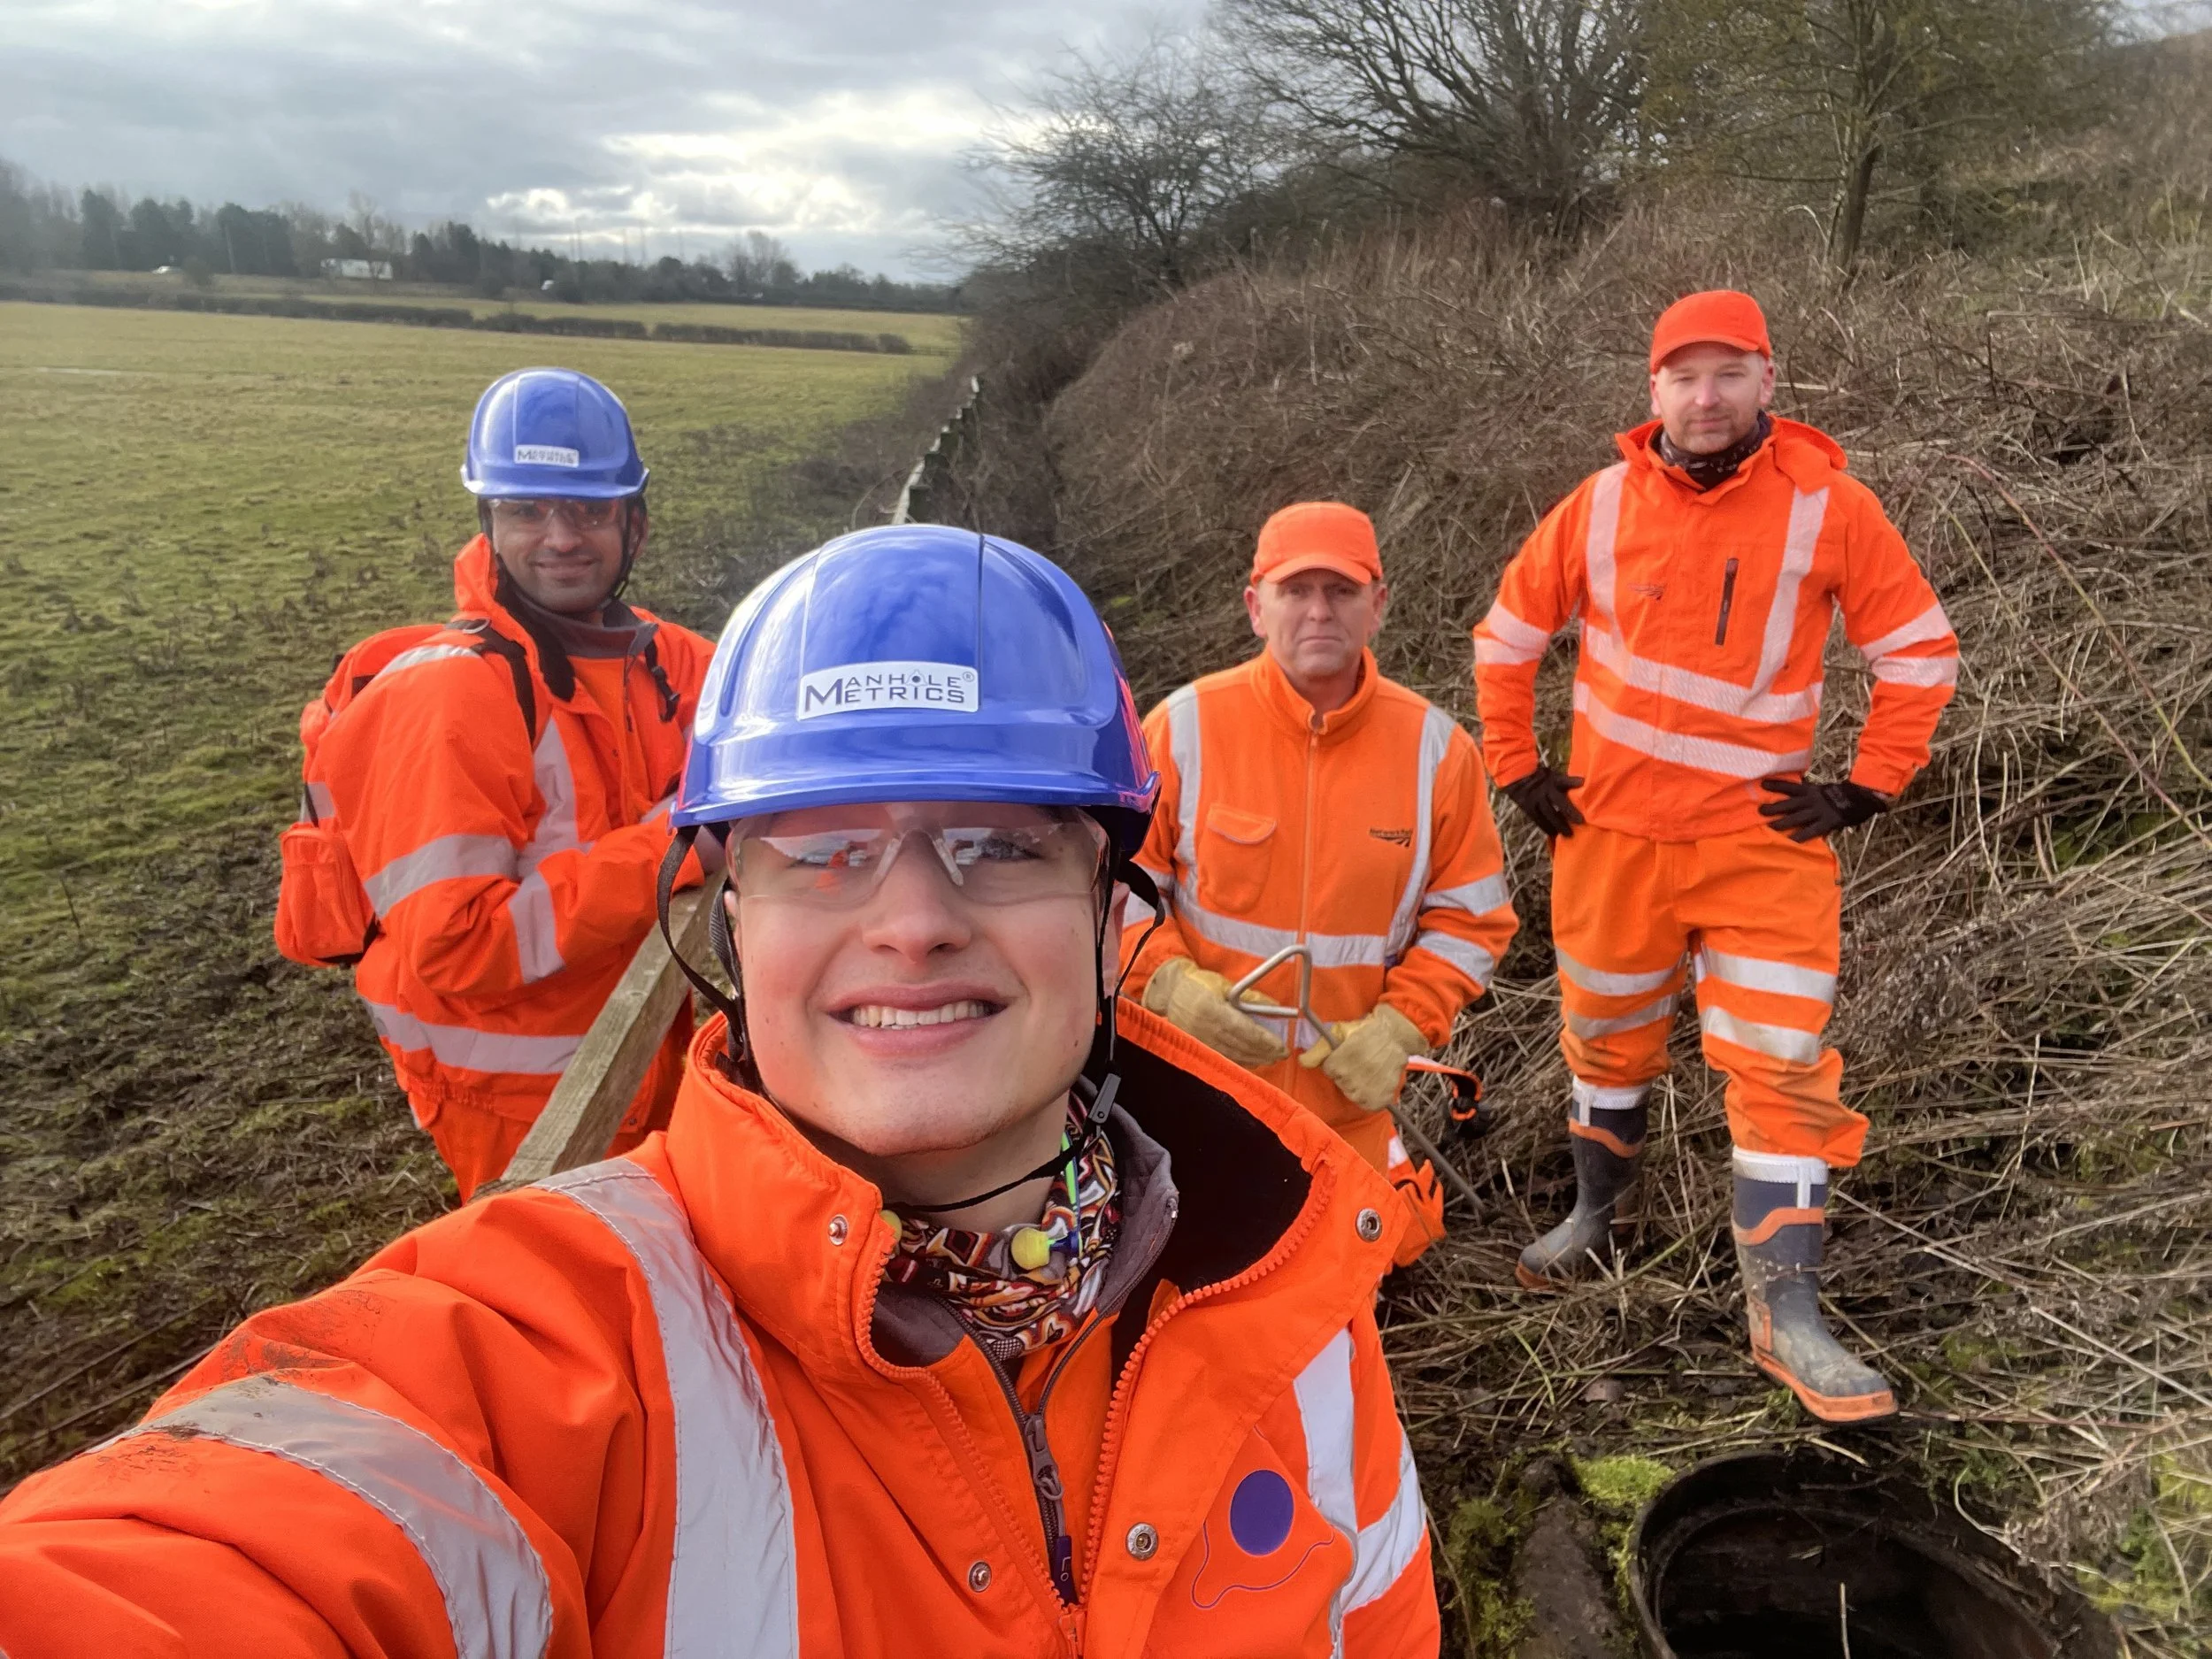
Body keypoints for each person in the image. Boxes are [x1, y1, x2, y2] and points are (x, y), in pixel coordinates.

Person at [0, 525, 1439, 1657]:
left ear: (1105, 903)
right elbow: (224, 1554)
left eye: (999, 842)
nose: (914, 921)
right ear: (726, 911)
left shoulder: (1292, 1310)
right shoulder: (559, 1351)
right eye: (822, 849)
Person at [1472, 289, 1960, 1423]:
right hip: (1610, 845)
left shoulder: (1828, 507)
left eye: (1728, 373)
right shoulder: (1593, 508)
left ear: (1766, 383)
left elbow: (1920, 654)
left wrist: (1864, 786)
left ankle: (1785, 1314)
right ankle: (1598, 1223)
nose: (1705, 397)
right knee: (1603, 1042)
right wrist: (1515, 765)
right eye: (1683, 376)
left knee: (1782, 1071)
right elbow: (1504, 640)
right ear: (1652, 392)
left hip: (1761, 854)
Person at [316, 367, 709, 1198]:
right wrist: (682, 845)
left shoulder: (650, 661)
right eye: (526, 509)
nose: (560, 536)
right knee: (567, 1303)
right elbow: (459, 946)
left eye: (589, 510)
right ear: (488, 523)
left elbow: (772, 696)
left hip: (629, 1043)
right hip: (517, 1099)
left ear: (634, 526)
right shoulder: (451, 696)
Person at [1123, 501, 1518, 1266]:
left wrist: (1403, 1027)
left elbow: (1473, 921)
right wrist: (1166, 984)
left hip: (1350, 1113)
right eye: (1294, 590)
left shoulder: (1437, 751)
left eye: (1340, 591)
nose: (1317, 611)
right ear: (1255, 607)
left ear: (1379, 605)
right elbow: (1113, 891)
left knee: (1359, 1292)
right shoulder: (1184, 727)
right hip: (1200, 1101)